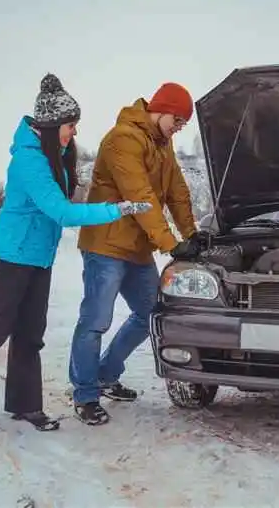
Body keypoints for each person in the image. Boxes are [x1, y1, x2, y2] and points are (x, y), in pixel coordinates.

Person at [0, 73, 152, 440]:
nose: (73, 132)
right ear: (50, 125)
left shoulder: (55, 155)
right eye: (70, 125)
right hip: (10, 259)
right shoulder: (29, 161)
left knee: (30, 335)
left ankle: (25, 405)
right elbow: (61, 212)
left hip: (38, 259)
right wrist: (116, 209)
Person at [68, 82, 208, 425]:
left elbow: (176, 191)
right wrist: (170, 244)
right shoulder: (122, 139)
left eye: (183, 123)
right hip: (105, 246)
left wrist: (192, 234)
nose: (179, 127)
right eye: (177, 119)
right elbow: (140, 196)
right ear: (160, 109)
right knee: (95, 321)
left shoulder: (163, 143)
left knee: (150, 314)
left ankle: (106, 374)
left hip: (137, 248)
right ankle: (85, 394)